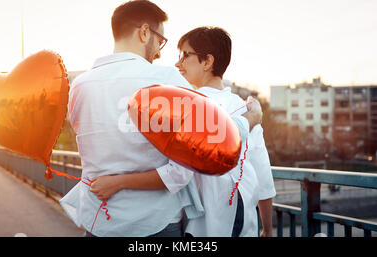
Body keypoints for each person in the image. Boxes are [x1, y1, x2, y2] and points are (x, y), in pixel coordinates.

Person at [59, 0, 256, 237]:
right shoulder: (166, 79)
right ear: (144, 32)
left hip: (100, 220)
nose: (160, 51)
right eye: (160, 40)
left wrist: (116, 181)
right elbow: (194, 157)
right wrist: (250, 119)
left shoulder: (80, 86)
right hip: (155, 223)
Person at [90, 26, 273, 237]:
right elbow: (262, 172)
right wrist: (267, 229)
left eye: (185, 55)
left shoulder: (184, 107)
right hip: (242, 217)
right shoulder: (245, 107)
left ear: (207, 62)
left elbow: (176, 173)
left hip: (207, 222)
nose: (178, 64)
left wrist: (117, 182)